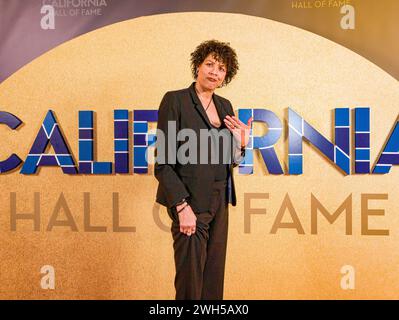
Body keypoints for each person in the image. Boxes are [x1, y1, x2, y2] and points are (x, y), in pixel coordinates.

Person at [154, 40, 252, 300]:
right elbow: (163, 163)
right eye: (209, 64)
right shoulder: (175, 101)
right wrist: (181, 207)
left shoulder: (225, 106)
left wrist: (242, 144)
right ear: (197, 65)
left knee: (213, 281)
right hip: (190, 201)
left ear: (226, 76)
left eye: (221, 68)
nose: (214, 72)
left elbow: (228, 160)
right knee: (190, 283)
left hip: (220, 199)